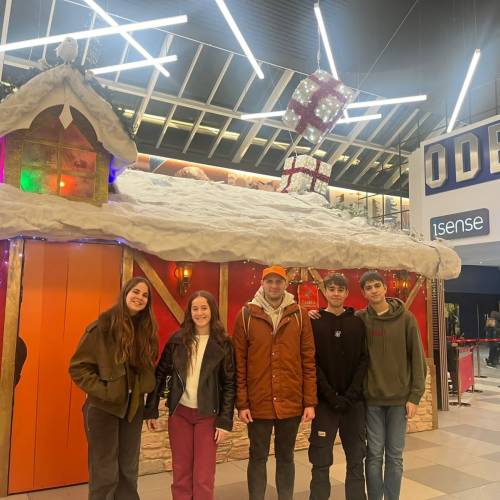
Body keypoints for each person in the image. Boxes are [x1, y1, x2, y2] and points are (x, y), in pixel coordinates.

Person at [69, 276, 159, 500]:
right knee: (105, 472)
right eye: (135, 292)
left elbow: (147, 369)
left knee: (128, 470)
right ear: (125, 293)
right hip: (102, 409)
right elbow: (78, 368)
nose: (139, 297)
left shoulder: (146, 331)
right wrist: (107, 391)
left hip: (132, 410)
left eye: (145, 295)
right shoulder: (102, 327)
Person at [233, 265, 317, 500]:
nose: (274, 286)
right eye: (269, 281)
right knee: (257, 456)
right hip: (258, 401)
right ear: (262, 284)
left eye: (278, 281)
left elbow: (308, 360)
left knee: (286, 457)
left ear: (285, 284)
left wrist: (309, 402)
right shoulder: (246, 315)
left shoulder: (299, 315)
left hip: (290, 399)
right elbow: (239, 363)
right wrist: (242, 403)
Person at [144, 290, 235, 500]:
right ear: (189, 312)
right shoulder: (177, 340)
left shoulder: (224, 343)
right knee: (181, 473)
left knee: (203, 477)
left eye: (204, 308)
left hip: (208, 415)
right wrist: (151, 409)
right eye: (195, 308)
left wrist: (225, 421)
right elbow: (159, 374)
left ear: (212, 311)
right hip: (180, 414)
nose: (199, 313)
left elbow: (230, 383)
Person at [358, 270, 427, 500]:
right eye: (368, 287)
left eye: (377, 285)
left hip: (399, 401)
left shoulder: (406, 318)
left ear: (385, 288)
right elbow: (337, 322)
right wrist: (315, 314)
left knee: (395, 456)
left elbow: (418, 360)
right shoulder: (360, 319)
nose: (374, 290)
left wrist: (415, 396)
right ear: (364, 293)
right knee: (374, 455)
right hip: (372, 401)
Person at [308, 273, 368, 500]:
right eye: (331, 289)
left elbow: (364, 360)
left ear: (346, 293)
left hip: (354, 403)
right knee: (320, 460)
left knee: (356, 459)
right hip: (325, 403)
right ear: (324, 292)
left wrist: (350, 395)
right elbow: (311, 362)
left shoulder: (357, 323)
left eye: (340, 289)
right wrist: (331, 395)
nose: (335, 293)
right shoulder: (314, 322)